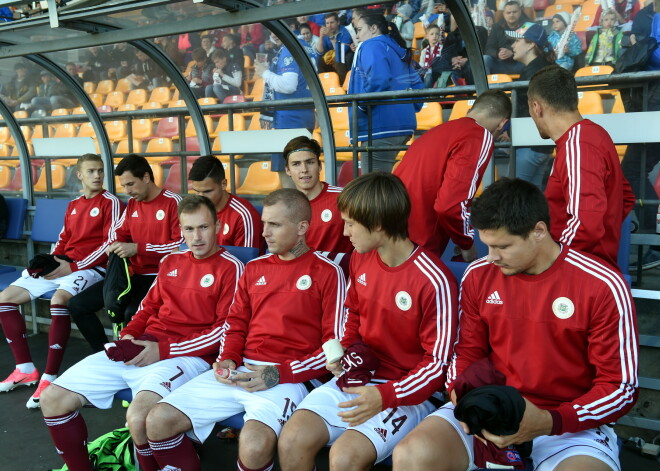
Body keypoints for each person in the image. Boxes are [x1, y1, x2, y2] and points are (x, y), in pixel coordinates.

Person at [392, 177, 638, 471]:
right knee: (411, 455)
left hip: (569, 423)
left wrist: (551, 421)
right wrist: (464, 396)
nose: (491, 257)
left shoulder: (601, 285)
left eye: (503, 247)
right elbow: (467, 352)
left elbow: (620, 387)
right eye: (487, 246)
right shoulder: (479, 274)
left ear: (538, 231)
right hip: (492, 410)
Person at [144, 188, 346, 471]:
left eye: (274, 224)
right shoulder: (255, 268)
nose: (265, 233)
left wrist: (279, 373)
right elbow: (235, 324)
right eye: (264, 224)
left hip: (289, 376)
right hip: (242, 369)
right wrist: (228, 358)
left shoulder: (327, 272)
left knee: (252, 444)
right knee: (157, 420)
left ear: (302, 227)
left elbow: (332, 344)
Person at [40, 195, 244, 471]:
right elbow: (148, 307)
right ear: (181, 230)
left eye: (203, 227)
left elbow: (223, 330)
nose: (196, 237)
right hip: (143, 346)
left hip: (185, 357)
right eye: (189, 229)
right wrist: (128, 336)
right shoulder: (172, 261)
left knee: (138, 418)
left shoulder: (231, 267)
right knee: (52, 399)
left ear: (218, 226)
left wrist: (164, 350)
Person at [278, 172, 458, 470]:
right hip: (358, 377)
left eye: (350, 223)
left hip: (404, 390)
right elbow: (353, 318)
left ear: (377, 224)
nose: (344, 231)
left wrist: (386, 395)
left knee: (344, 457)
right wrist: (343, 354)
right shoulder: (361, 258)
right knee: (292, 439)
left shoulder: (433, 280)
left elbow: (437, 365)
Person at [0, 154, 122, 408]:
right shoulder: (75, 204)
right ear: (79, 175)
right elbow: (64, 238)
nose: (97, 175)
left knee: (59, 300)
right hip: (66, 265)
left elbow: (110, 245)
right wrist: (51, 262)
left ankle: (50, 376)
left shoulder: (111, 202)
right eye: (91, 171)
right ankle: (25, 369)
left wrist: (74, 266)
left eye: (100, 170)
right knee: (5, 299)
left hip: (91, 269)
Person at [67, 154, 183, 353]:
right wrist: (115, 245)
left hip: (161, 276)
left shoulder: (173, 202)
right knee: (77, 305)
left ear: (146, 177)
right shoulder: (133, 204)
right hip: (131, 276)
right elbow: (117, 233)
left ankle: (133, 358)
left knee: (130, 312)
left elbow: (180, 247)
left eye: (131, 184)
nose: (128, 191)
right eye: (124, 186)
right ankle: (104, 353)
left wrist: (139, 248)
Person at [528, 65, 635, 268]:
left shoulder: (578, 144)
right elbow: (626, 196)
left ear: (536, 107)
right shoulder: (592, 135)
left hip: (575, 273)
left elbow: (585, 225)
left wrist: (549, 263)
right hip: (590, 266)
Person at [394, 90, 511, 261]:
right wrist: (467, 244)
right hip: (419, 242)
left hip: (393, 229)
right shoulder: (479, 135)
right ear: (502, 124)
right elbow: (450, 206)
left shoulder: (436, 131)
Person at [349, 14, 423, 173]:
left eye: (360, 29)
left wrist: (361, 106)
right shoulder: (396, 49)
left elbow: (379, 79)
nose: (357, 36)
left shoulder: (371, 45)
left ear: (373, 28)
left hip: (379, 127)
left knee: (374, 188)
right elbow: (417, 86)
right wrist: (408, 108)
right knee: (381, 184)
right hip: (402, 125)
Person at [254, 32, 316, 181]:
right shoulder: (307, 46)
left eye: (275, 28)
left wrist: (265, 73)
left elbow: (289, 85)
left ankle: (295, 205)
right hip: (303, 114)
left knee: (290, 173)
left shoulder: (290, 47)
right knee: (302, 172)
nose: (273, 34)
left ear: (290, 27)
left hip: (289, 118)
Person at [283, 136, 352, 253]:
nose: (304, 169)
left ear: (320, 166)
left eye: (309, 162)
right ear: (287, 170)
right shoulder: (282, 206)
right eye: (296, 164)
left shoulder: (344, 198)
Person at [507, 22, 556, 188]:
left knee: (516, 197)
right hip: (541, 146)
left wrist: (508, 129)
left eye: (517, 41)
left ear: (531, 45)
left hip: (529, 146)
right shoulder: (544, 68)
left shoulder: (533, 72)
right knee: (534, 200)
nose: (512, 45)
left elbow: (528, 110)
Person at [188, 155, 263, 251]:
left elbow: (246, 260)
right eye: (197, 191)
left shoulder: (243, 215)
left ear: (223, 184)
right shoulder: (196, 211)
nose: (201, 197)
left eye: (207, 191)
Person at [483, 1, 529, 75]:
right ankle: (485, 86)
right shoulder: (496, 27)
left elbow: (531, 49)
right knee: (485, 59)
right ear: (504, 14)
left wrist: (512, 53)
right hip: (501, 64)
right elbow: (488, 49)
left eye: (514, 12)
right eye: (508, 13)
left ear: (520, 11)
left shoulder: (527, 25)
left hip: (520, 63)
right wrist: (498, 53)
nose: (511, 15)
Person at [317, 12, 354, 82]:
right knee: (319, 60)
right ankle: (323, 85)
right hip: (332, 59)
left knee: (338, 58)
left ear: (338, 22)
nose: (329, 26)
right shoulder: (326, 34)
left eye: (332, 22)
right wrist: (321, 37)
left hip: (344, 58)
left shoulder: (345, 31)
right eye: (327, 23)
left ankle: (343, 84)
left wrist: (331, 36)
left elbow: (341, 51)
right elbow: (319, 53)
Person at [419, 24, 444, 88]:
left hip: (439, 74)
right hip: (426, 74)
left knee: (429, 76)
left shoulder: (442, 49)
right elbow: (421, 65)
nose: (434, 36)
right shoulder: (424, 51)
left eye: (437, 34)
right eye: (432, 34)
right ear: (427, 36)